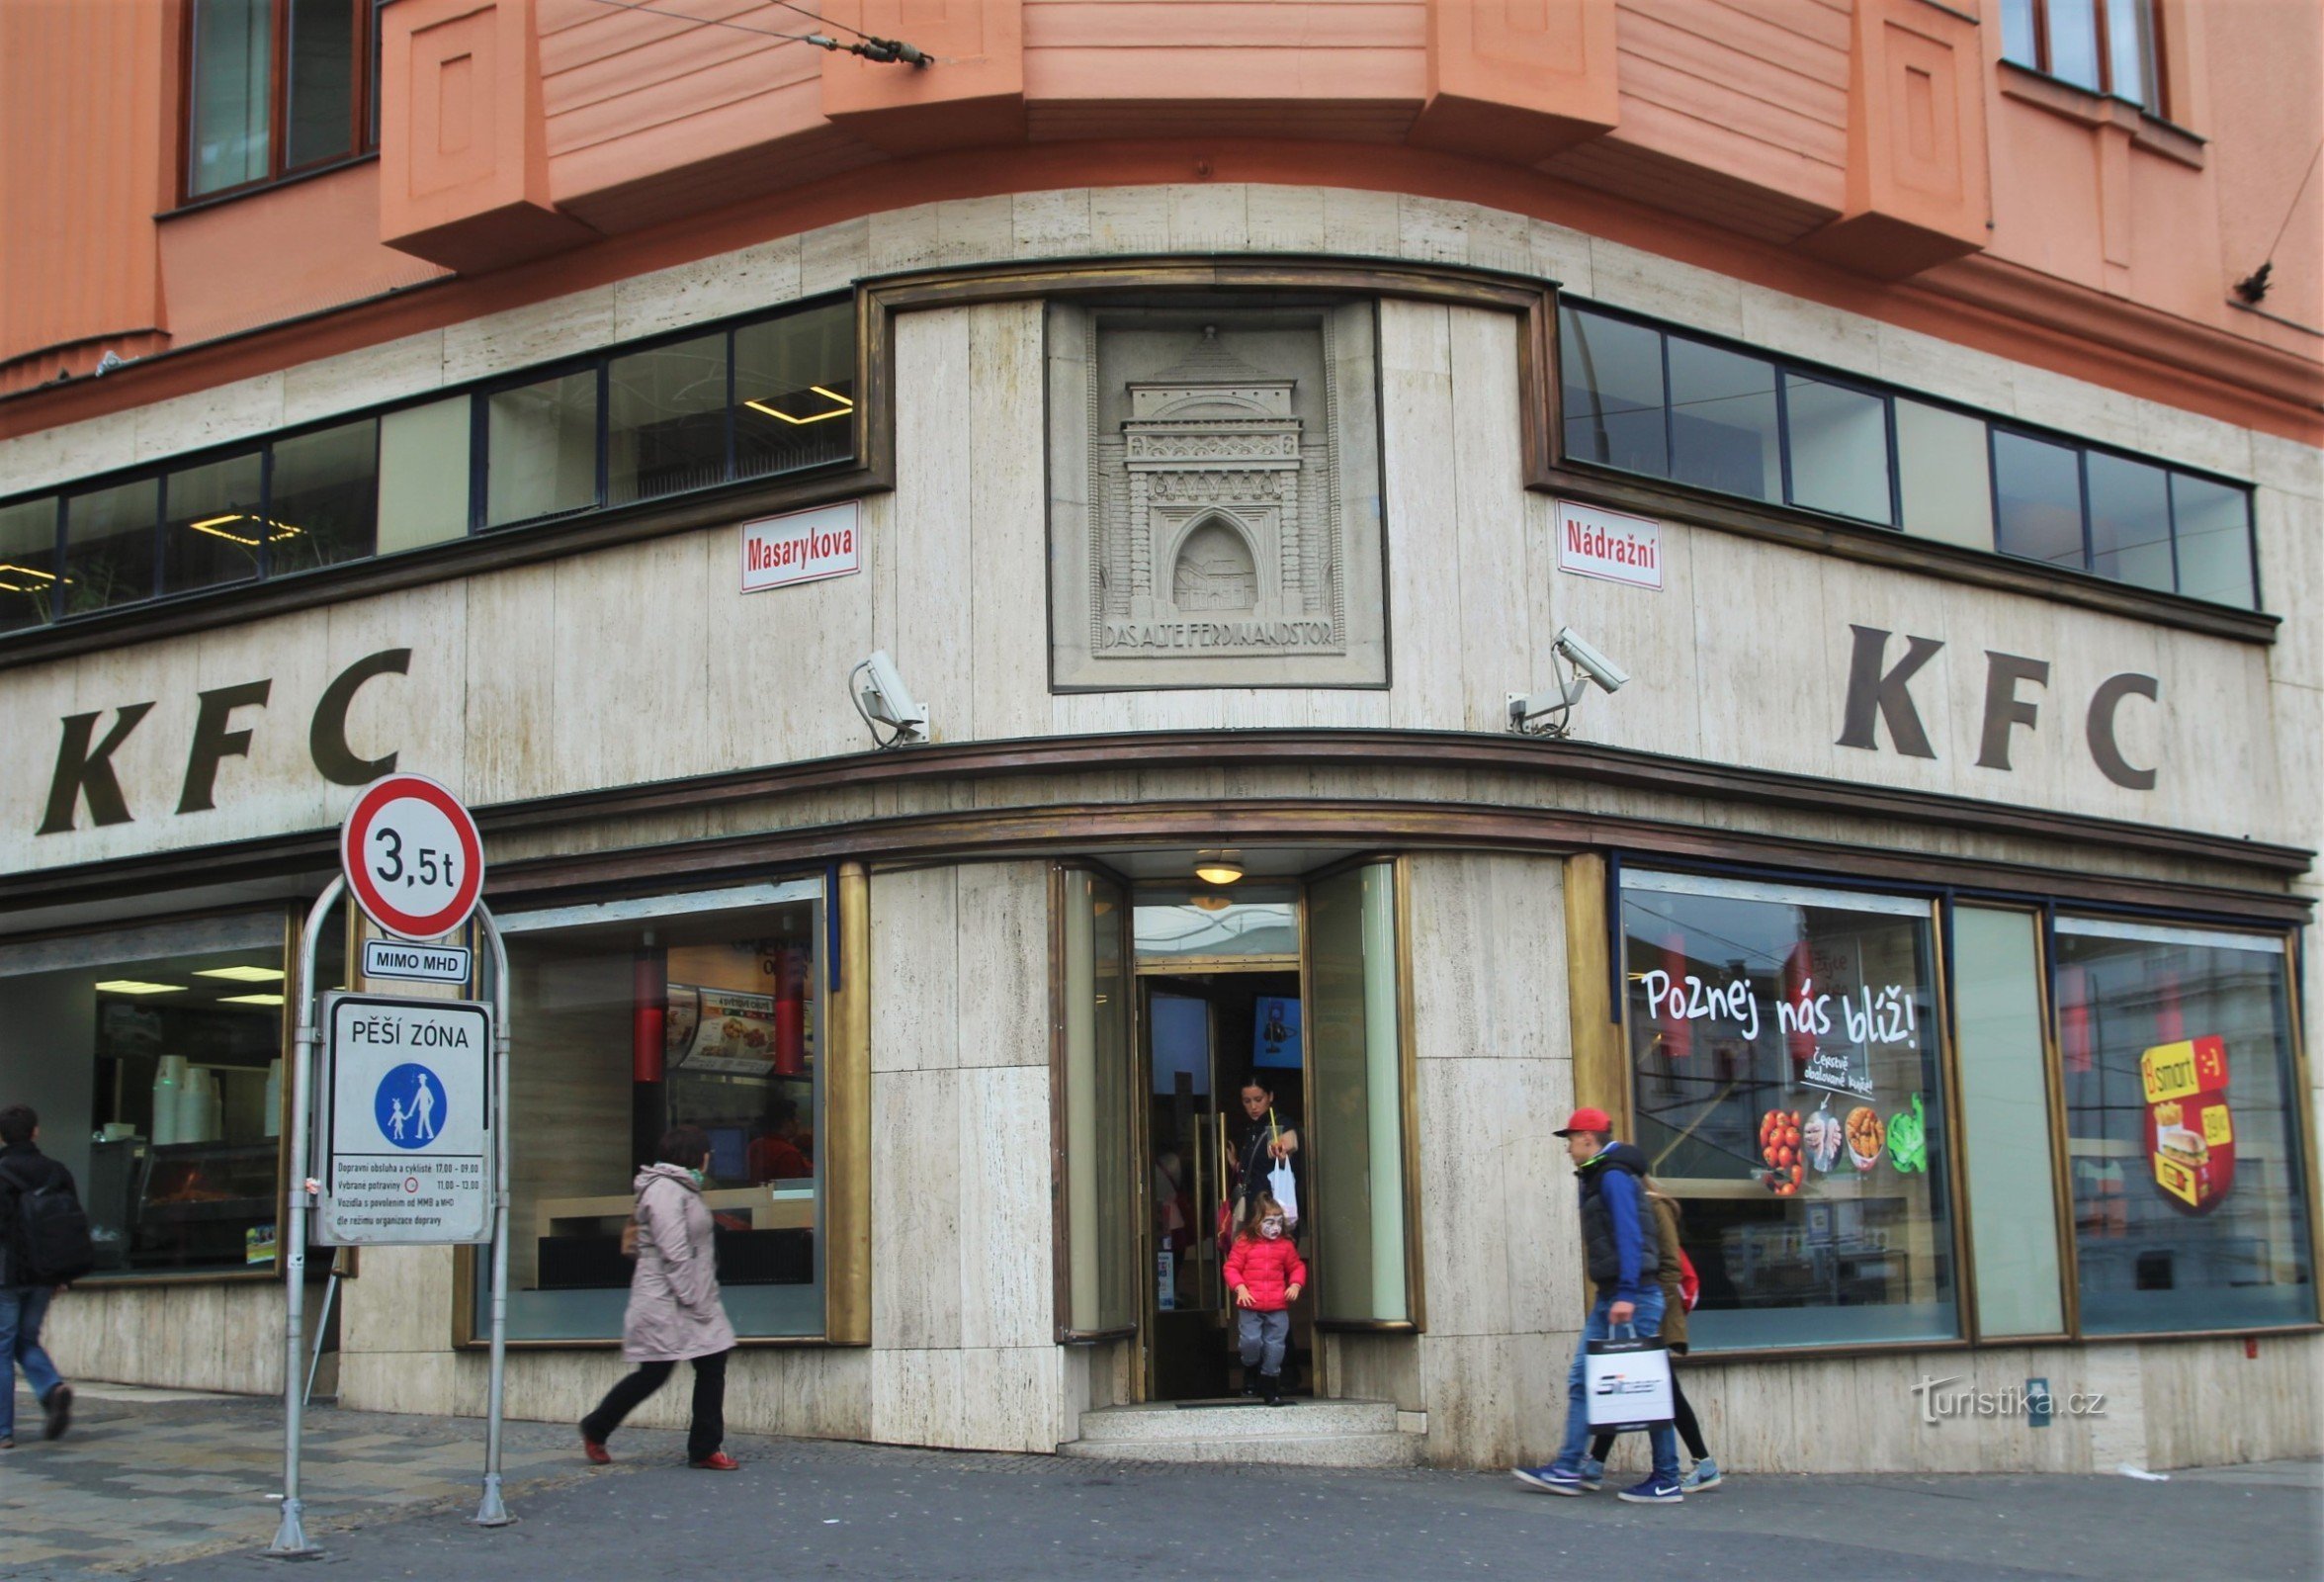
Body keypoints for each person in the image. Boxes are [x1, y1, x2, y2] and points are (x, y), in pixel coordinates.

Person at [1512, 1107, 1684, 1504]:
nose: (1568, 1148)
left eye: (1570, 1139)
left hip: (1633, 1295)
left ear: (1588, 1137)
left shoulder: (1612, 1177)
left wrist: (1625, 1292)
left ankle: (1667, 1476)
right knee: (1583, 1379)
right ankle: (1568, 1468)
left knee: (1647, 1388)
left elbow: (1628, 1233)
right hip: (1616, 1294)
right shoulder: (1599, 1175)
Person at [580, 1124, 739, 1470]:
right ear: (695, 1155)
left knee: (712, 1364)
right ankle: (597, 1425)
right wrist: (694, 1297)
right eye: (706, 1152)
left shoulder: (684, 1188)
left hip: (689, 1294)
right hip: (668, 1298)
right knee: (655, 1371)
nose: (710, 1158)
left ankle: (705, 1446)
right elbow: (674, 1250)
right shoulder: (666, 1191)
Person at [1580, 1178, 1720, 1493]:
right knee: (1631, 1383)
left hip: (1652, 1308)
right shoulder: (1630, 1208)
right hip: (1643, 1306)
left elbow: (1670, 1265)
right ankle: (1596, 1464)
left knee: (1650, 1387)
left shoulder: (1655, 1206)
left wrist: (1655, 1314)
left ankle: (1700, 1464)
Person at [0, 1104, 78, 1450]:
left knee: (2, 1349)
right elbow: (70, 1226)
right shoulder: (56, 1172)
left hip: (6, 1275)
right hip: (45, 1274)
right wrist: (63, 1274)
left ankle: (3, 1431)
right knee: (25, 1340)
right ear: (35, 1132)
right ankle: (51, 1388)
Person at [1223, 1192, 1306, 1406]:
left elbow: (1296, 1266)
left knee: (1275, 1347)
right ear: (1256, 1221)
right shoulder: (1244, 1243)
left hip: (1277, 1305)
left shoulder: (1285, 1245)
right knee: (1250, 1341)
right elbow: (1231, 1267)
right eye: (1269, 1222)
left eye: (1279, 1222)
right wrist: (1240, 1288)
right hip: (1251, 1305)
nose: (1275, 1228)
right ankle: (1250, 1369)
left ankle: (1270, 1386)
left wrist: (1295, 1284)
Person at [745, 1097, 812, 1184]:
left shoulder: (755, 1145)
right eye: (796, 1118)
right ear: (786, 1122)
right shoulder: (788, 1153)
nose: (798, 1122)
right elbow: (792, 1189)